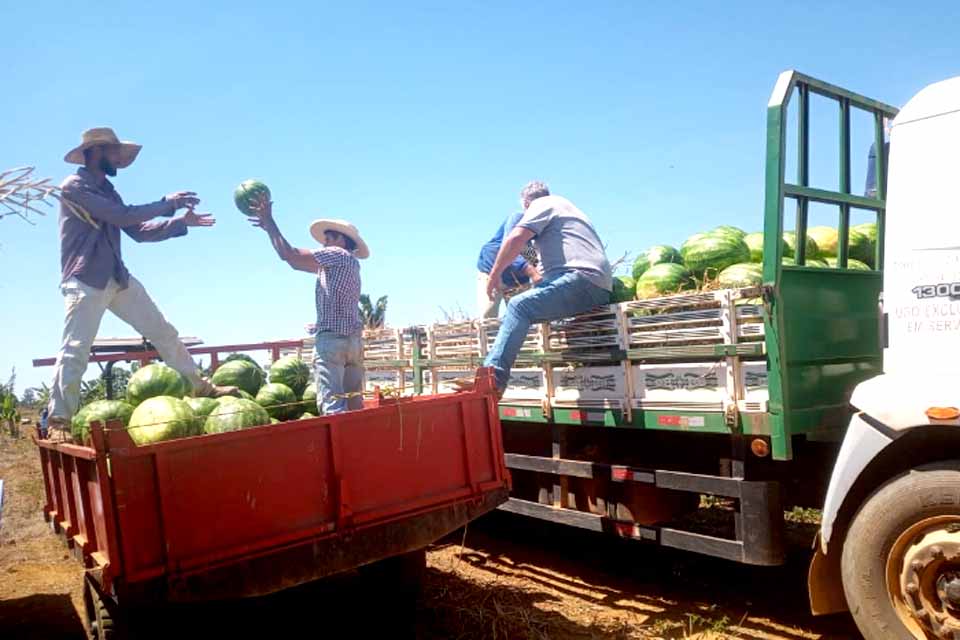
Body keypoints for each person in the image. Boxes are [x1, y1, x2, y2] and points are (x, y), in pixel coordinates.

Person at [47, 128, 235, 437]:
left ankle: (202, 388)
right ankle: (59, 422)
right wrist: (167, 203)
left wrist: (179, 222)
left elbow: (139, 230)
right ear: (95, 152)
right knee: (75, 350)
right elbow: (121, 216)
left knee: (162, 331)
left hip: (116, 277)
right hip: (85, 279)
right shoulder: (74, 186)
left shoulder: (108, 189)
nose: (117, 161)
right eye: (112, 154)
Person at [482, 181, 612, 396]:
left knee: (518, 306)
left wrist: (493, 276)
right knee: (520, 311)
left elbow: (515, 238)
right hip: (594, 284)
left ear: (526, 203)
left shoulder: (542, 205)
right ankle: (493, 368)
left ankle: (491, 380)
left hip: (581, 280)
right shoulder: (565, 209)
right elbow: (539, 261)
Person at [249, 196, 368, 415]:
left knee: (333, 406)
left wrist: (270, 222)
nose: (323, 244)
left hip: (333, 342)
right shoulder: (349, 263)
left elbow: (290, 255)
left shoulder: (336, 254)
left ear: (340, 240)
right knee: (353, 404)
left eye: (327, 239)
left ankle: (341, 446)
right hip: (353, 342)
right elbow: (297, 264)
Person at [476, 211, 540, 318]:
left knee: (522, 316)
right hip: (492, 269)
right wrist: (532, 271)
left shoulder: (549, 228)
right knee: (488, 315)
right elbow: (511, 245)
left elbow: (533, 256)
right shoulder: (519, 218)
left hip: (519, 278)